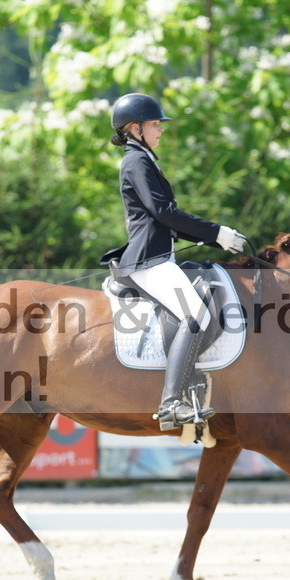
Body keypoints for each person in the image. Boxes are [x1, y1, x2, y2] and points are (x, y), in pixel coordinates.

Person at [101, 93, 247, 430]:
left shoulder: (144, 158)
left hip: (159, 256)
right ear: (135, 128)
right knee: (194, 313)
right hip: (147, 262)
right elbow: (163, 212)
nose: (160, 130)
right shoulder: (136, 161)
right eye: (155, 124)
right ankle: (171, 404)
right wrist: (217, 233)